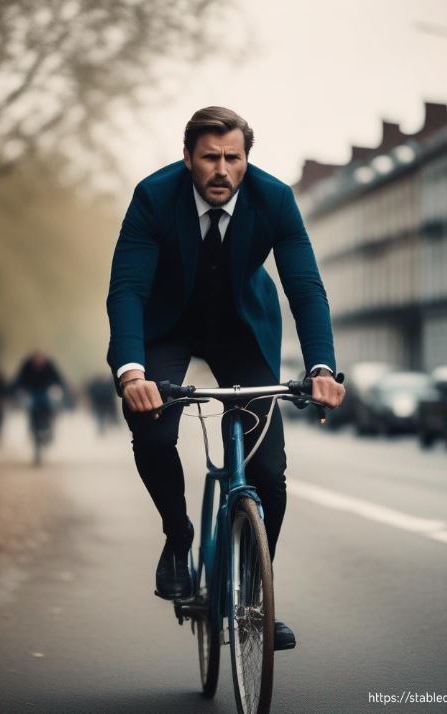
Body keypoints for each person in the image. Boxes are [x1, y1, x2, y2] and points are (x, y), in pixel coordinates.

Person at [106, 106, 345, 651]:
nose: (220, 169)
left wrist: (321, 368)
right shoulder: (153, 197)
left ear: (245, 160)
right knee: (154, 430)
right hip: (166, 328)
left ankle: (257, 595)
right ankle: (178, 536)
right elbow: (127, 291)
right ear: (188, 157)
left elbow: (305, 288)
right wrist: (132, 372)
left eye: (232, 158)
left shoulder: (275, 199)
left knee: (269, 470)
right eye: (209, 157)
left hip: (240, 328)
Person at [11, 350, 69, 442]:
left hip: (45, 391)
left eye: (40, 359)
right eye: (36, 359)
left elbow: (58, 378)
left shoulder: (49, 366)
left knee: (53, 404)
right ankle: (31, 428)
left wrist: (61, 386)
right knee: (29, 407)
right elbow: (19, 379)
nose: (38, 362)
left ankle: (51, 424)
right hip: (32, 392)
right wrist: (16, 389)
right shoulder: (27, 366)